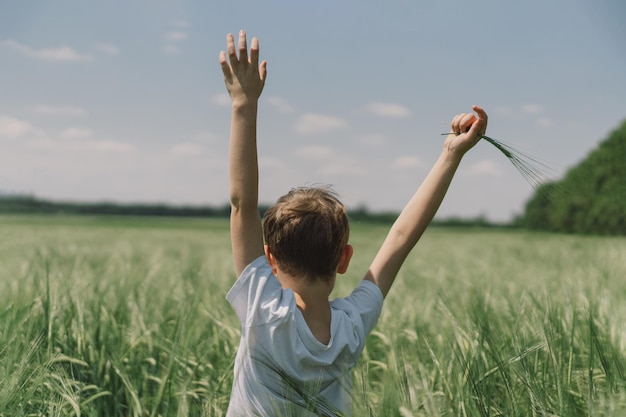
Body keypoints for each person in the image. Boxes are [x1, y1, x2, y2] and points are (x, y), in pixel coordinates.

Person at [219, 30, 488, 417]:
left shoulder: (263, 310)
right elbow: (401, 237)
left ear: (270, 259)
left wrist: (243, 103)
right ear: (344, 259)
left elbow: (241, 203)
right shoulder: (351, 325)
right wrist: (450, 155)